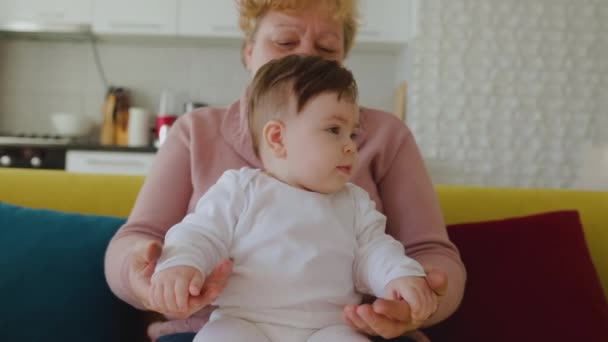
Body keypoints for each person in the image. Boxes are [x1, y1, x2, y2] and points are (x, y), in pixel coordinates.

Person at [104, 1, 466, 341]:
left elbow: (410, 251)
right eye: (285, 40)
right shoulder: (197, 135)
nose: (306, 55)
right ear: (248, 51)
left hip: (343, 326)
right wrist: (158, 277)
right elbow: (164, 236)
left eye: (326, 49)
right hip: (222, 325)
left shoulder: (382, 144)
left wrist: (414, 295)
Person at [149, 55, 439, 342]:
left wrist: (400, 277)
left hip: (329, 329)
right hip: (244, 323)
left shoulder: (355, 203)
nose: (351, 146)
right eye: (334, 130)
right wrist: (180, 264)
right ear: (277, 138)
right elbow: (201, 234)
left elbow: (376, 252)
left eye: (352, 133)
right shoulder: (240, 190)